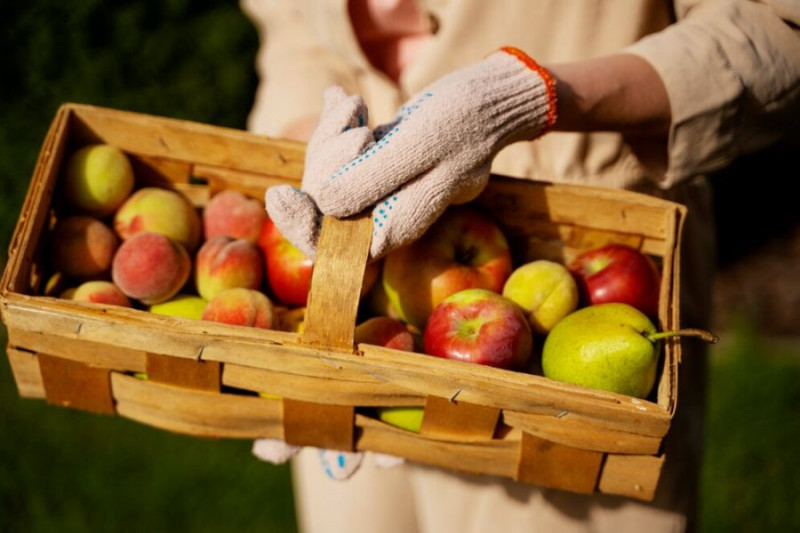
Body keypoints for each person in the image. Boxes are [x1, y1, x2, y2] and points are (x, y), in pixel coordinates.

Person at [240, 1, 800, 532]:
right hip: (350, 321)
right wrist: (313, 140)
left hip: (565, 292)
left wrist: (525, 97)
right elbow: (292, 23)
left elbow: (778, 28)